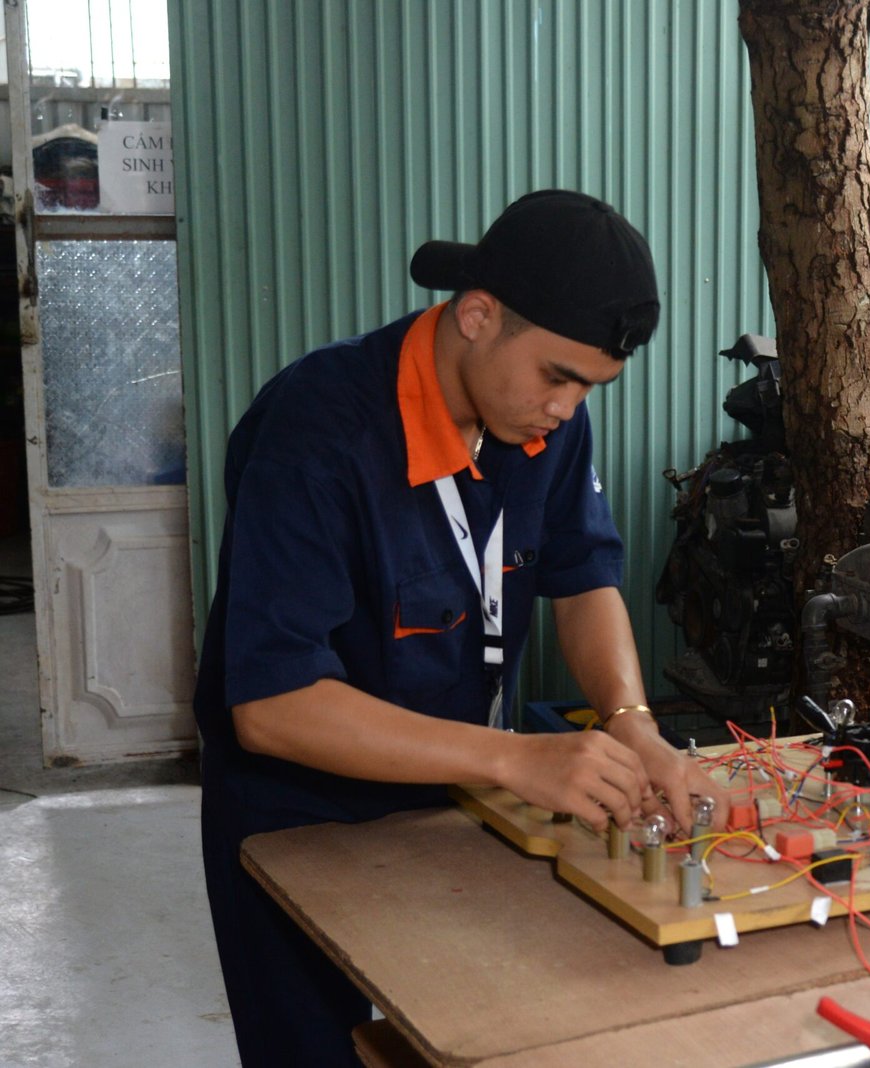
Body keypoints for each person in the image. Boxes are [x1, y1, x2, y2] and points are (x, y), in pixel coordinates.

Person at [195, 190, 722, 1066]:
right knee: (313, 1049)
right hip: (295, 813)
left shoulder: (543, 420)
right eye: (558, 376)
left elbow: (582, 577)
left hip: (456, 794)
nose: (567, 408)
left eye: (590, 388)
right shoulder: (316, 432)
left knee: (467, 1036)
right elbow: (273, 705)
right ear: (477, 317)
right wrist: (515, 759)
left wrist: (633, 724)